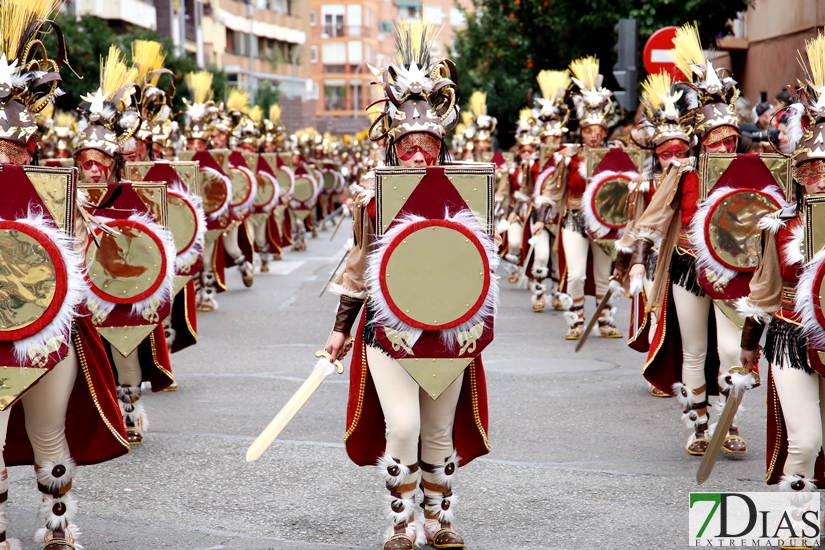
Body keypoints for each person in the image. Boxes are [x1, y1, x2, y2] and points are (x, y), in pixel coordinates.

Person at [323, 20, 492, 550]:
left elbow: (476, 268)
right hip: (389, 331)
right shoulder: (374, 196)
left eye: (427, 146)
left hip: (448, 330)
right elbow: (357, 267)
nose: (419, 156)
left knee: (439, 434)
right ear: (395, 149)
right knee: (402, 427)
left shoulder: (466, 192)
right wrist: (339, 329)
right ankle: (401, 524)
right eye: (409, 147)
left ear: (439, 147)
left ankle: (439, 521)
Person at [738, 30, 825, 527]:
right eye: (809, 168)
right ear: (796, 171)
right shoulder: (781, 223)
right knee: (806, 441)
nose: (818, 176)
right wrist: (750, 342)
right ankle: (793, 527)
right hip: (792, 337)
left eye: (824, 167)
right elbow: (764, 289)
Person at [538, 55, 622, 340]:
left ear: (603, 132)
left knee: (603, 275)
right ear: (582, 132)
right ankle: (576, 320)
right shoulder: (568, 157)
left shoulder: (615, 157)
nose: (593, 136)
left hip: (603, 221)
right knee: (576, 275)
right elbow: (551, 191)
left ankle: (605, 320)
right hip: (574, 218)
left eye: (597, 131)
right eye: (588, 131)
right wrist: (541, 218)